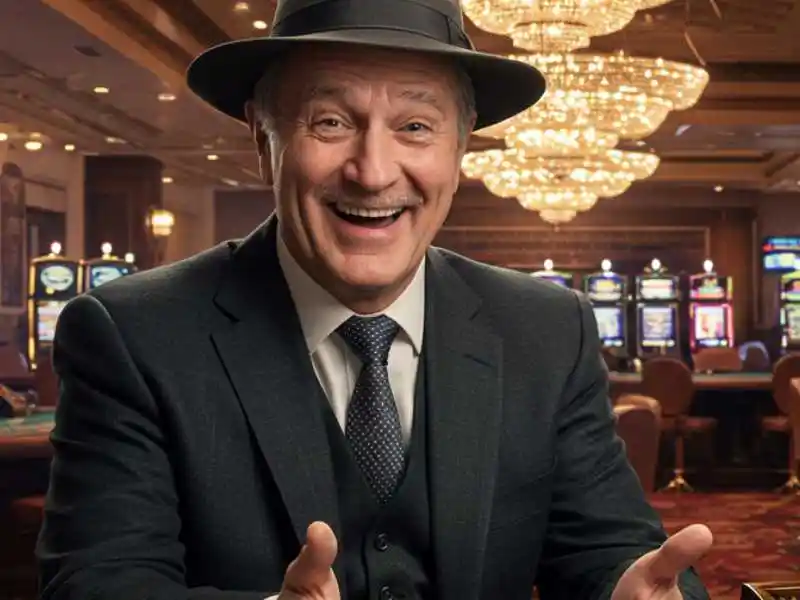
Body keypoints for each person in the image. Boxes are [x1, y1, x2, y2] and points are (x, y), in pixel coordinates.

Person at [37, 0, 713, 599]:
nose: (374, 172)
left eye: (416, 127)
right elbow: (99, 581)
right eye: (329, 122)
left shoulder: (545, 326)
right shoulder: (132, 334)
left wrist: (632, 587)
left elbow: (605, 550)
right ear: (263, 139)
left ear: (460, 149)